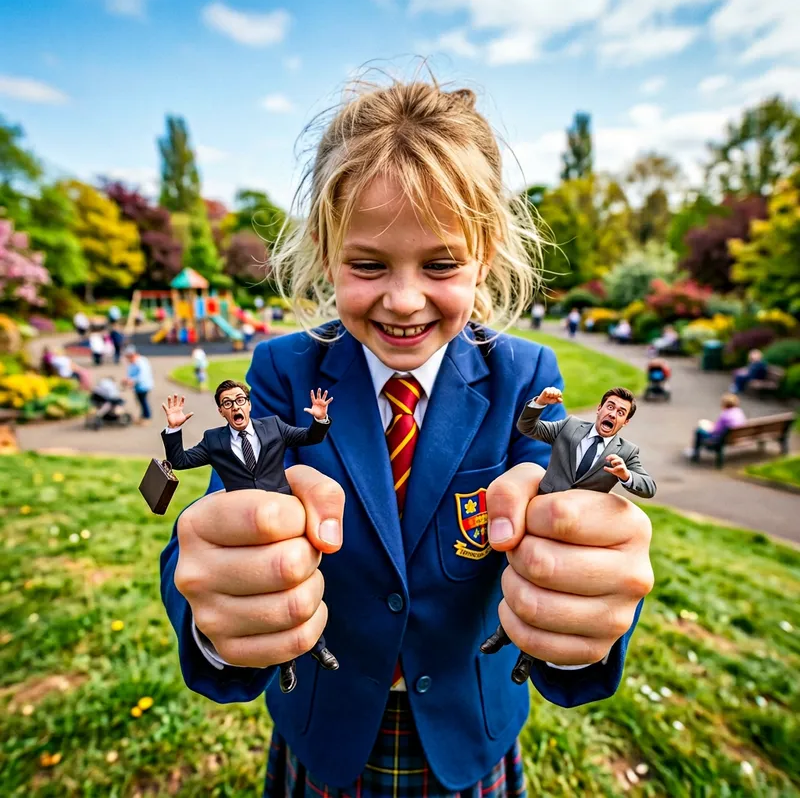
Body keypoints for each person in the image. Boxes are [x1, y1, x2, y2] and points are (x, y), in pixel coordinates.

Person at [159, 78, 653, 796]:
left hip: (467, 731)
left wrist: (581, 597)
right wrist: (219, 615)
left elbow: (569, 530)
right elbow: (215, 528)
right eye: (368, 264)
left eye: (441, 263)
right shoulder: (282, 371)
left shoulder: (524, 376)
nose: (403, 299)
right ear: (326, 252)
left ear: (485, 254)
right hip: (326, 731)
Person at [161, 381, 336, 693]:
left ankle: (319, 647)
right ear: (221, 411)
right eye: (228, 403)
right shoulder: (214, 440)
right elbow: (182, 462)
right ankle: (286, 665)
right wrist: (173, 431)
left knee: (298, 589)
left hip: (287, 523)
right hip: (244, 531)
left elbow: (309, 437)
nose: (235, 407)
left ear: (249, 404)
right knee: (279, 597)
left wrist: (320, 419)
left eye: (240, 400)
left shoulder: (273, 427)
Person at [483, 386, 656, 681]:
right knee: (526, 583)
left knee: (549, 595)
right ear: (600, 409)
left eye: (621, 413)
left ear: (625, 423)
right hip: (541, 520)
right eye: (610, 407)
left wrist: (625, 475)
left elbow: (648, 486)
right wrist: (539, 403)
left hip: (581, 534)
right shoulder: (569, 427)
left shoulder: (626, 453)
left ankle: (527, 657)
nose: (613, 414)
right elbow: (528, 427)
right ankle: (501, 634)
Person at [687, 393, 746, 462]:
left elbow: (716, 430)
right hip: (737, 436)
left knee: (698, 431)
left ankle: (695, 453)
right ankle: (694, 452)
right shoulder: (739, 411)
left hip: (722, 439)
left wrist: (708, 426)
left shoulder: (725, 415)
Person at [122, 345, 154, 424]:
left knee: (143, 401)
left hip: (143, 386)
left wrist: (132, 380)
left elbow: (142, 376)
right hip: (138, 386)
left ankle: (147, 417)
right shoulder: (133, 363)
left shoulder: (140, 362)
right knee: (140, 401)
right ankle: (143, 416)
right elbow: (131, 374)